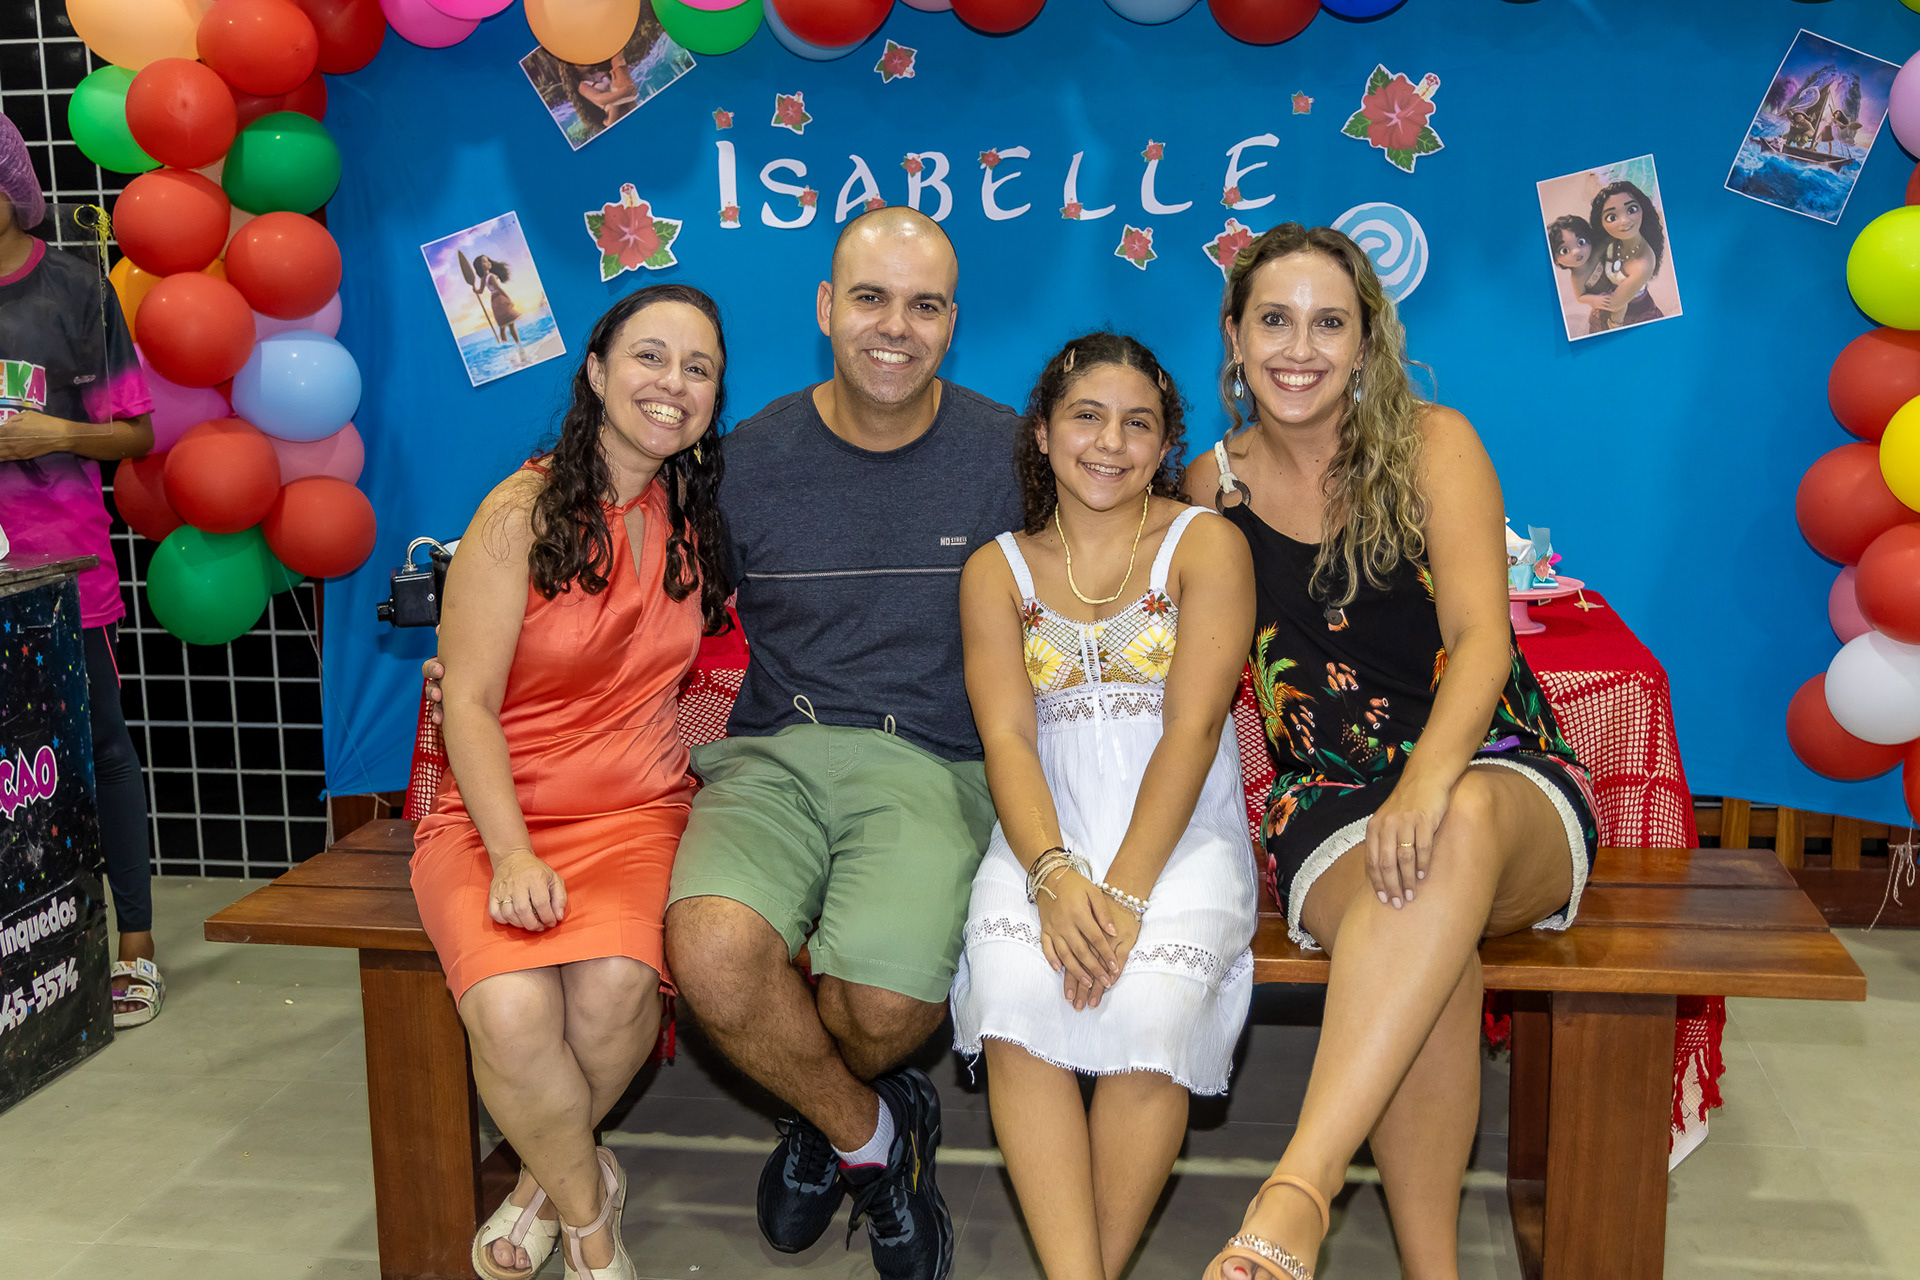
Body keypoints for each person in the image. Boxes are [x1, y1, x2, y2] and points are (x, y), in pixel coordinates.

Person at [1184, 223, 1597, 1280]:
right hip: (1327, 799)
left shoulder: (1434, 443)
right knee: (1427, 941)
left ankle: (1298, 1188)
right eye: (1274, 320)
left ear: (1367, 342)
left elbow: (1484, 639)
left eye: (1330, 322)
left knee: (1447, 833)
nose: (1300, 348)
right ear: (1234, 336)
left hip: (1495, 768)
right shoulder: (1208, 489)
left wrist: (1424, 784)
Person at [663, 206, 1023, 1280]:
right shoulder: (745, 460)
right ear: (826, 308)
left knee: (882, 1005)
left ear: (952, 321)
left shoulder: (1012, 457)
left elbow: (1128, 549)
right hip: (775, 756)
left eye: (924, 305)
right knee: (712, 951)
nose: (895, 327)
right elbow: (644, 591)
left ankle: (824, 1104)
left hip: (934, 759)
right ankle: (868, 1132)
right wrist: (506, 654)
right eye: (870, 298)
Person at [412, 283, 731, 1280]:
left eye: (698, 368)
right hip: (495, 811)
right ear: (595, 372)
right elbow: (467, 703)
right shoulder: (516, 513)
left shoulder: (695, 515)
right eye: (650, 356)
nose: (672, 383)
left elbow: (714, 667)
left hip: (637, 811)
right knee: (510, 1013)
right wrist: (510, 853)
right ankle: (593, 1223)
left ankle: (540, 1188)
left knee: (617, 990)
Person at [951, 332, 1258, 1280]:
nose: (1111, 443)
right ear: (1042, 433)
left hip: (1180, 837)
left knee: (1151, 1014)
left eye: (1139, 424)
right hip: (1042, 831)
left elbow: (1194, 729)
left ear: (1166, 444)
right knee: (1013, 1000)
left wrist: (1124, 893)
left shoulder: (1205, 544)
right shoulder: (996, 569)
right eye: (1087, 417)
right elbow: (1007, 737)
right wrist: (1050, 875)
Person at [0, 113, 161, 1028]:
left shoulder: (73, 288)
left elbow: (136, 435)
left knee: (99, 751)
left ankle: (134, 947)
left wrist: (53, 434)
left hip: (63, 574)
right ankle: (34, 954)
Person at [1590, 181, 1666, 331]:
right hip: (1604, 306)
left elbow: (1616, 303)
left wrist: (1583, 296)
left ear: (1643, 210)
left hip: (1635, 316)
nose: (1624, 221)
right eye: (1612, 217)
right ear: (1601, 223)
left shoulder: (1644, 262)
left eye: (1631, 209)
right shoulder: (1610, 241)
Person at [1543, 215, 1612, 336]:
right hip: (1604, 307)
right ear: (1555, 259)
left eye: (1581, 242)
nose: (1576, 252)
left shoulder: (1595, 253)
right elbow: (1580, 296)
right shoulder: (1577, 277)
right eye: (1564, 251)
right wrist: (1596, 300)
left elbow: (1608, 241)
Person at [474, 254, 522, 346]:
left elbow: (480, 291)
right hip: (500, 298)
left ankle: (505, 346)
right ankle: (518, 344)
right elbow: (499, 289)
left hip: (494, 301)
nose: (488, 262)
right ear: (480, 266)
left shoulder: (483, 279)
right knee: (511, 324)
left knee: (502, 326)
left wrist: (475, 290)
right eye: (485, 261)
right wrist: (508, 298)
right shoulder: (491, 276)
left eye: (488, 260)